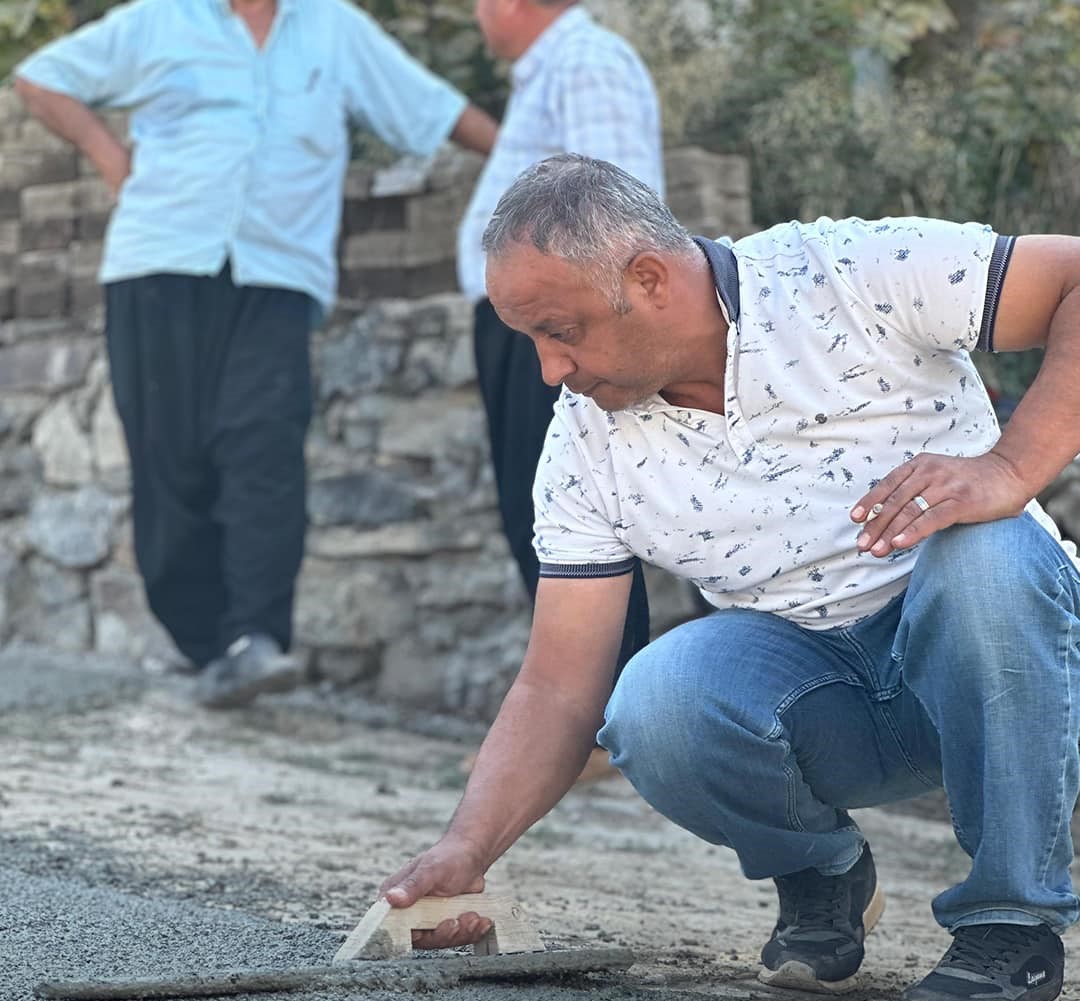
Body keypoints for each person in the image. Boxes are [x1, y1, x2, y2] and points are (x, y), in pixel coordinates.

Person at [381, 154, 1080, 1000]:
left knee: (981, 555)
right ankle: (824, 872)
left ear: (647, 279)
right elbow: (560, 687)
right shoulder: (583, 445)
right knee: (651, 700)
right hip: (826, 698)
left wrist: (1011, 465)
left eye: (560, 331)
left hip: (1001, 663)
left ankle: (1011, 927)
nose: (548, 370)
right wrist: (469, 846)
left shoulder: (851, 273)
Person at [14, 0, 496, 709]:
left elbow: (430, 106)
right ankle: (204, 642)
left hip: (276, 278)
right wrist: (111, 157)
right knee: (168, 461)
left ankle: (253, 640)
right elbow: (39, 76)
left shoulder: (333, 27)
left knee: (265, 449)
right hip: (159, 265)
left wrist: (540, 156)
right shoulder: (157, 20)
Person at [457, 0, 662, 689]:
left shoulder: (586, 63)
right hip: (534, 321)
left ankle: (603, 721)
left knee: (574, 514)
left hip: (559, 324)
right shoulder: (554, 70)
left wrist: (580, 333)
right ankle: (586, 720)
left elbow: (616, 218)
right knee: (540, 509)